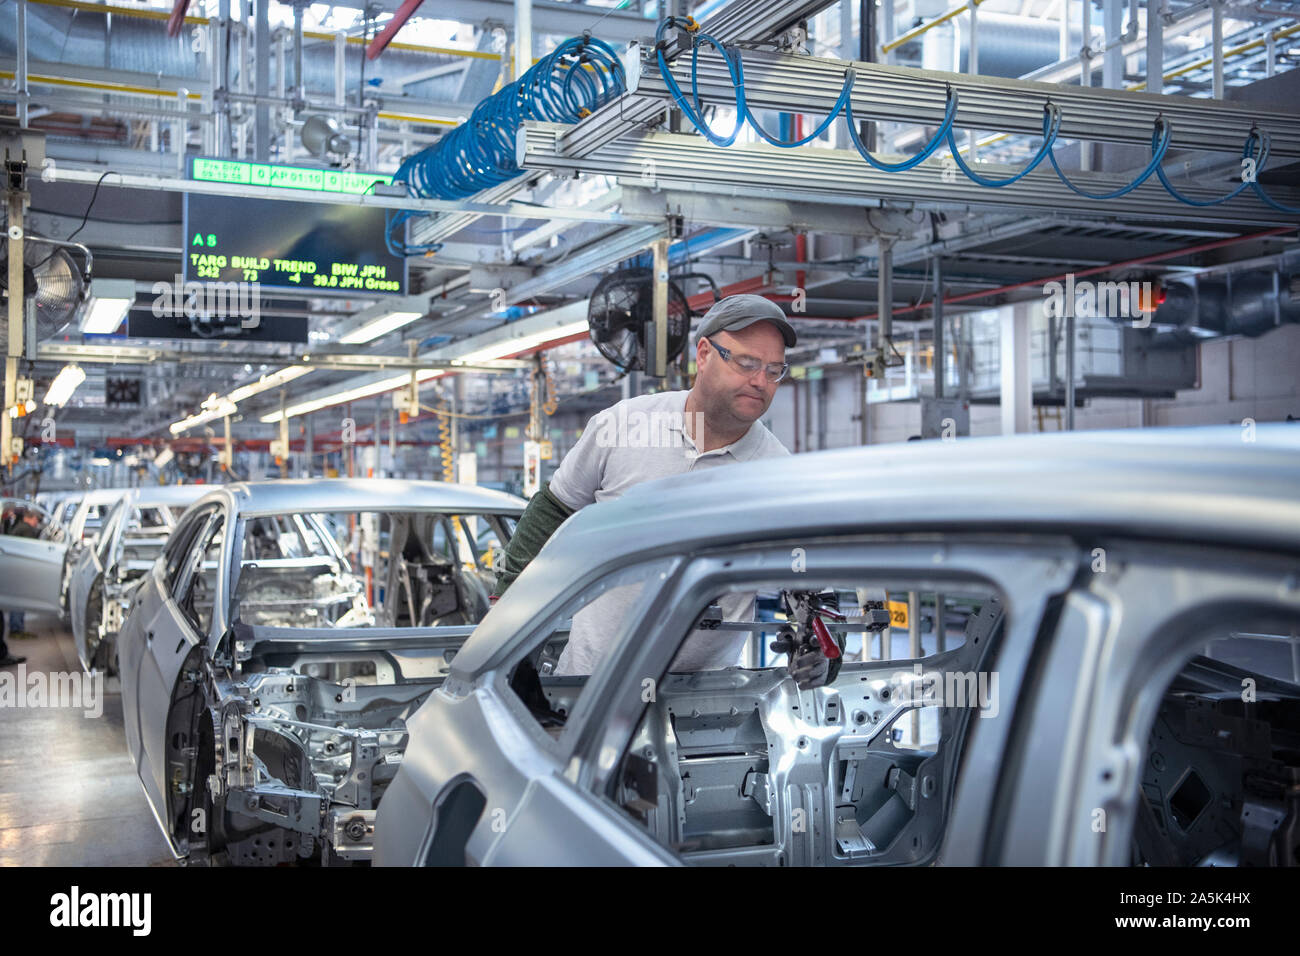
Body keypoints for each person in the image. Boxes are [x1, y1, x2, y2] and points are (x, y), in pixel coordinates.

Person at [493, 293, 801, 677]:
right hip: (587, 686)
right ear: (704, 354)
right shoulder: (623, 425)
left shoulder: (778, 472)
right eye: (747, 363)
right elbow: (555, 508)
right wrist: (506, 603)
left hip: (704, 705)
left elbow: (805, 567)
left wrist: (822, 641)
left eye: (774, 371)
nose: (760, 382)